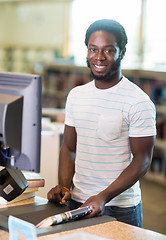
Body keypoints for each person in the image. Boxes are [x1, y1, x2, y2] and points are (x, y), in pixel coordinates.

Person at [47, 19, 156, 227]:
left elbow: (142, 160)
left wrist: (104, 196)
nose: (98, 57)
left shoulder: (138, 101)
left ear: (122, 52)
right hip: (77, 202)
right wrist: (64, 186)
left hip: (120, 208)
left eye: (108, 50)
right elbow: (69, 148)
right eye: (93, 49)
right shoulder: (76, 95)